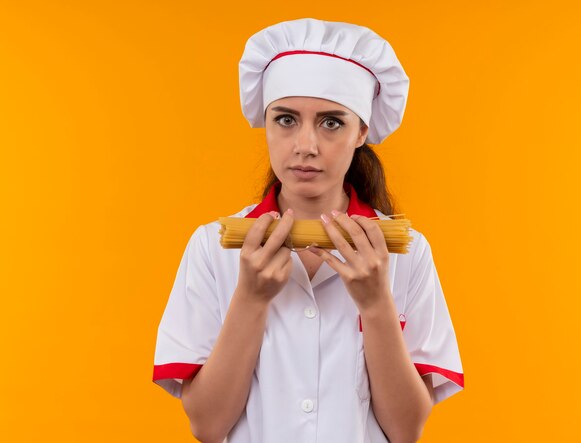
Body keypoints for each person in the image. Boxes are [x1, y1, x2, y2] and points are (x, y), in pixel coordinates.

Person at [152, 18, 464, 443]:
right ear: (266, 122)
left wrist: (375, 305)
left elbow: (406, 430)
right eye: (285, 119)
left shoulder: (408, 252)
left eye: (331, 122)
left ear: (362, 132)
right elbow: (207, 425)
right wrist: (250, 297)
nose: (306, 145)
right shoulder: (212, 247)